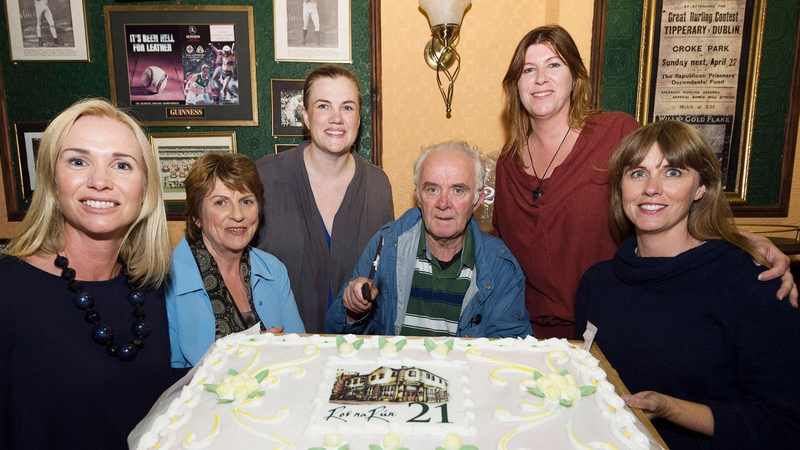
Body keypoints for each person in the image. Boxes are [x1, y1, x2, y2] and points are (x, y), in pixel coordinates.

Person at [491, 24, 797, 339]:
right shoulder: (507, 161)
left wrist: (742, 241)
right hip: (528, 331)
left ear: (575, 78)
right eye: (529, 69)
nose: (541, 78)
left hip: (614, 320)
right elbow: (497, 245)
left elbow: (667, 199)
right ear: (516, 85)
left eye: (554, 64)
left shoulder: (615, 132)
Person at [575, 121, 800, 448]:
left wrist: (672, 409)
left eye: (673, 172)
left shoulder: (754, 283)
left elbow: (787, 425)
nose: (651, 188)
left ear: (701, 188)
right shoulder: (598, 283)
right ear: (620, 187)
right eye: (637, 173)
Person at [0, 98, 174, 448]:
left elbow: (130, 395)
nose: (99, 181)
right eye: (78, 161)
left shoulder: (146, 288)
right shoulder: (8, 290)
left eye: (122, 165)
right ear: (52, 179)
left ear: (145, 188)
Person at [326, 141, 531, 338]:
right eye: (432, 189)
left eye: (458, 190)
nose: (443, 203)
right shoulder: (387, 246)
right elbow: (338, 334)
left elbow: (509, 350)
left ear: (477, 200)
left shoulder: (501, 265)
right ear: (418, 197)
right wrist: (353, 310)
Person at [256, 65, 394, 333]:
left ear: (359, 117)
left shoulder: (378, 185)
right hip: (282, 351)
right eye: (323, 106)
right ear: (305, 117)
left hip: (356, 352)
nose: (336, 118)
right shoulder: (264, 178)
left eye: (347, 107)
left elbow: (385, 276)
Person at [167, 153, 305, 369]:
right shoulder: (166, 281)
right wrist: (244, 355)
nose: (238, 215)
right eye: (221, 202)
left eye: (246, 201)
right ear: (196, 216)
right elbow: (167, 377)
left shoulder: (273, 269)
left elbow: (300, 349)